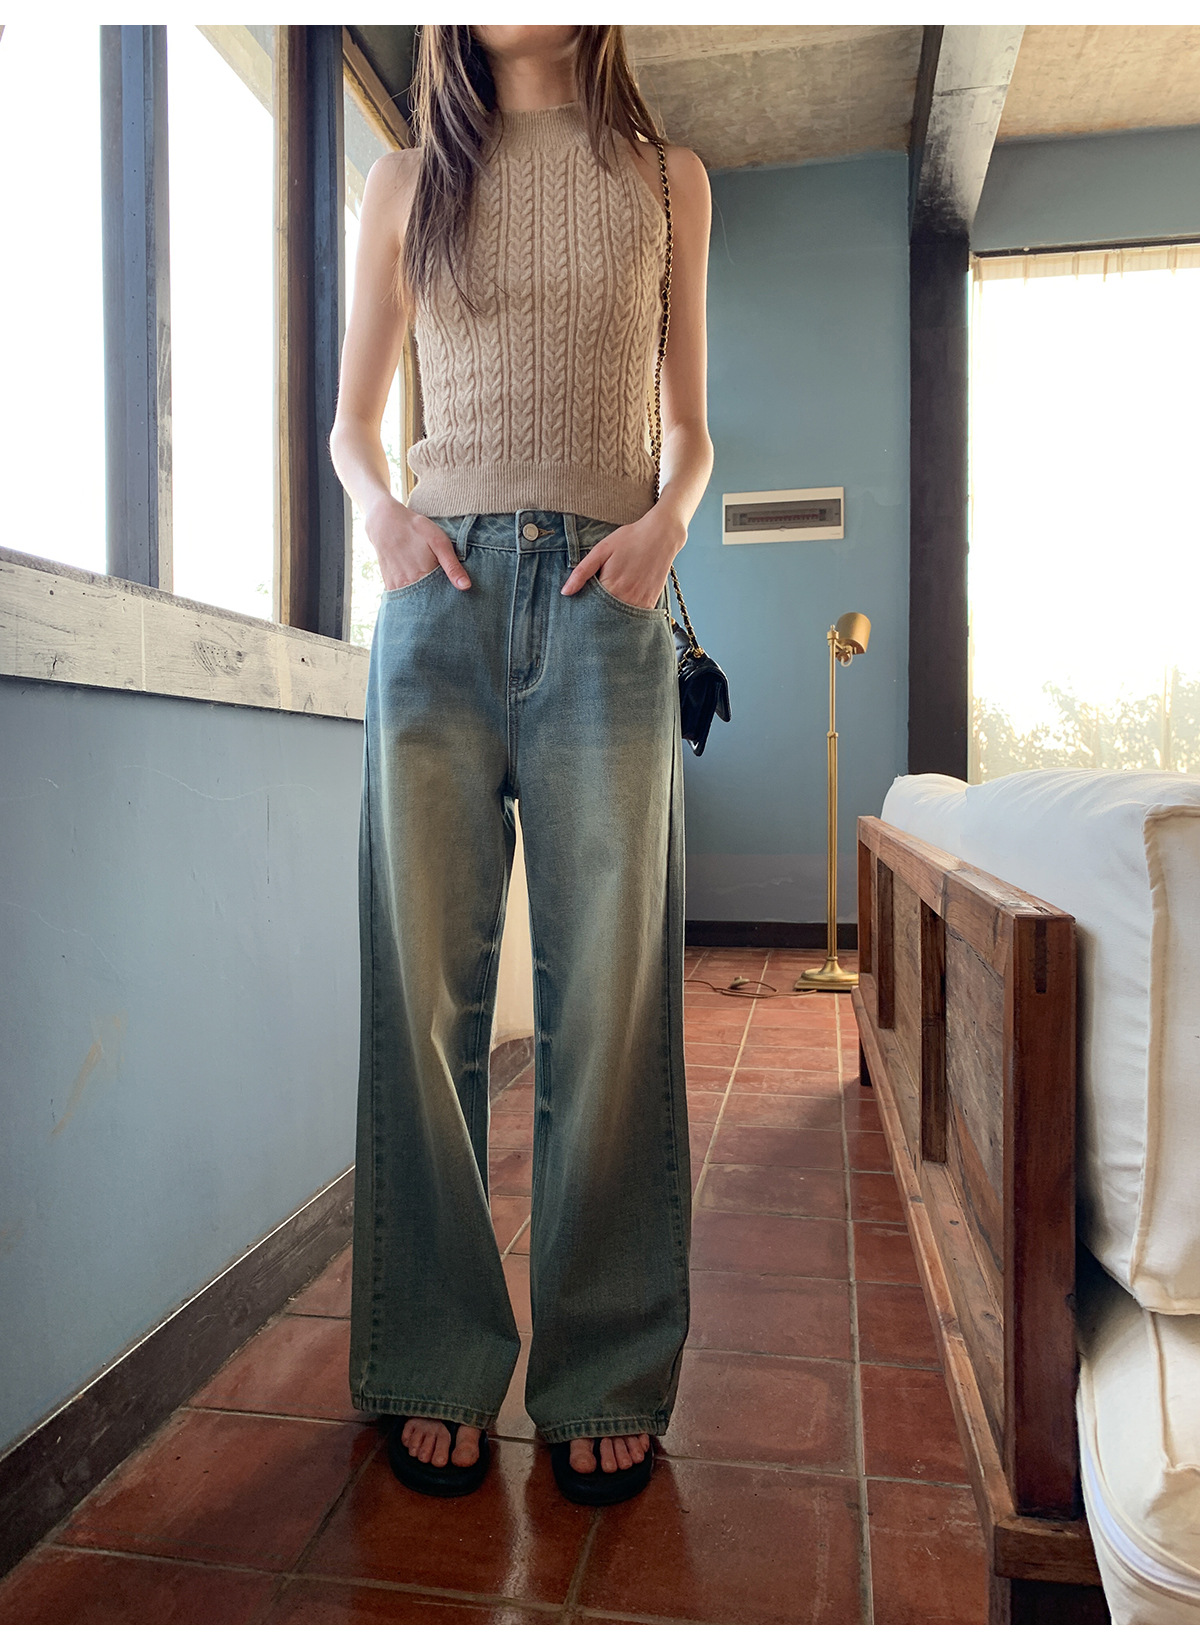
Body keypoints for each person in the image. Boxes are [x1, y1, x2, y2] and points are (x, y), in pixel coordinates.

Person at [329, 22, 713, 1506]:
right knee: (422, 997)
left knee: (609, 1005)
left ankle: (602, 1369)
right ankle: (431, 1350)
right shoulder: (404, 181)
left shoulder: (668, 179)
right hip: (438, 606)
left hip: (608, 606)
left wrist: (667, 525)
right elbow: (352, 428)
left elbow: (691, 432)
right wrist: (383, 517)